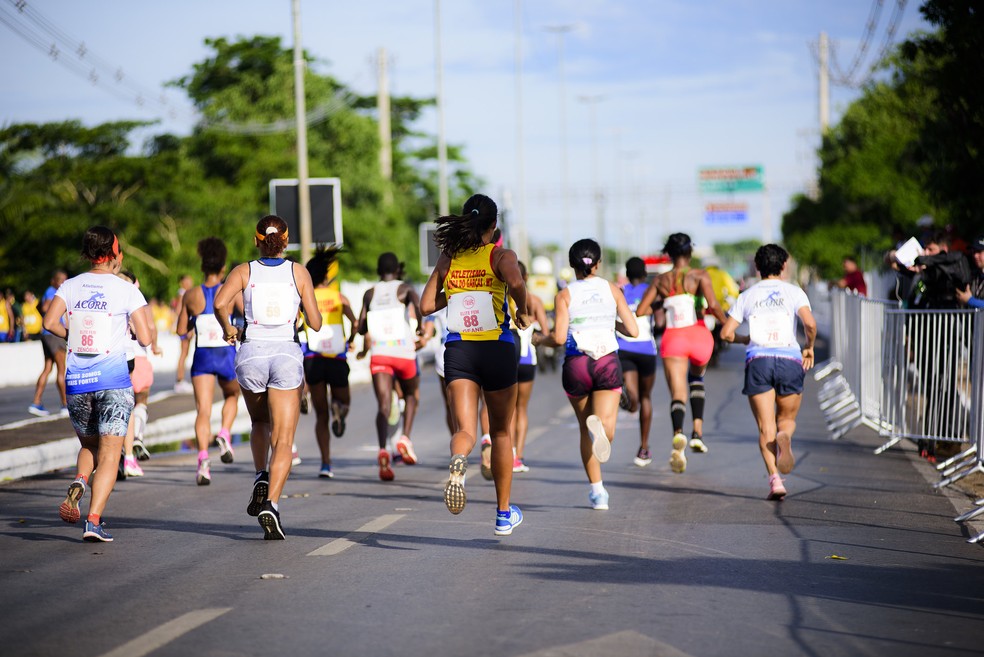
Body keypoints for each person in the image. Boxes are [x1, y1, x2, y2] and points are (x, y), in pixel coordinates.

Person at [420, 193, 532, 536]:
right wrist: (522, 310)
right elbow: (515, 282)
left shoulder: (448, 258)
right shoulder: (501, 255)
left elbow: (426, 305)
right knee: (500, 432)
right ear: (494, 226)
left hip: (459, 351)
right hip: (496, 349)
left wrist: (453, 293)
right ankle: (502, 514)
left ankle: (458, 465)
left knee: (465, 430)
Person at [213, 215, 321, 540]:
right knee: (284, 439)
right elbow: (315, 323)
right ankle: (271, 503)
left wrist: (229, 330)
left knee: (260, 423)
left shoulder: (243, 270)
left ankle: (261, 474)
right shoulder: (298, 272)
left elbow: (219, 303)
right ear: (286, 241)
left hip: (251, 355)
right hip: (286, 353)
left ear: (255, 239)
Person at [46, 226, 153, 541]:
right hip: (114, 381)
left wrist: (74, 336)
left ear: (88, 254)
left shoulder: (70, 285)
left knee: (89, 446)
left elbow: (49, 322)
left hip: (78, 381)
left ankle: (80, 478)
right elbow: (145, 337)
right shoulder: (126, 289)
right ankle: (93, 521)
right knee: (110, 453)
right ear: (115, 253)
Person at [537, 239, 638, 510]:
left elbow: (558, 338)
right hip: (606, 361)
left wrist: (538, 339)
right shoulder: (612, 289)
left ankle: (598, 492)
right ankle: (603, 430)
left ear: (572, 266)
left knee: (584, 428)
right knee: (605, 427)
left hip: (577, 364)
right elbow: (633, 330)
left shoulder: (565, 295)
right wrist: (608, 321)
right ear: (598, 263)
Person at [720, 243, 816, 501]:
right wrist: (809, 347)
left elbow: (725, 333)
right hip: (789, 359)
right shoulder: (794, 292)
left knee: (765, 427)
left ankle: (775, 480)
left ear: (758, 267)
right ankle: (785, 436)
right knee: (786, 419)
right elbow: (809, 323)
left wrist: (744, 340)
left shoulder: (747, 295)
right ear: (784, 266)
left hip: (758, 360)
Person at [636, 233, 726, 473]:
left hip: (673, 339)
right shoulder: (699, 275)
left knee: (678, 392)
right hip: (698, 336)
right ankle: (697, 432)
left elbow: (641, 310)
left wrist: (663, 303)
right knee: (696, 379)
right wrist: (728, 326)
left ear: (670, 254)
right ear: (690, 252)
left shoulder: (661, 280)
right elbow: (714, 306)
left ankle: (679, 434)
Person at [176, 237, 242, 485]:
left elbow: (181, 329)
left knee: (203, 410)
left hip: (202, 355)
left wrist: (195, 322)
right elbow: (247, 317)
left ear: (202, 267)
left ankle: (203, 460)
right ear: (223, 267)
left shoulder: (191, 295)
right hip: (226, 353)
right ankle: (224, 432)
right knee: (232, 396)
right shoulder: (231, 292)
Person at [356, 252, 422, 481]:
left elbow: (361, 325)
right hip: (403, 352)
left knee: (383, 405)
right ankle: (405, 437)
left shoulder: (370, 293)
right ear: (397, 269)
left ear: (378, 270)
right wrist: (420, 328)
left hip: (380, 354)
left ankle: (383, 448)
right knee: (412, 394)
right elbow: (420, 306)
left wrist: (367, 328)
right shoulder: (405, 288)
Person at [303, 246, 357, 479]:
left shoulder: (304, 298)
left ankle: (326, 464)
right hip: (336, 358)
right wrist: (352, 340)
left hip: (313, 360)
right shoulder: (339, 298)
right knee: (344, 401)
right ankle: (340, 411)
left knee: (320, 416)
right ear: (326, 275)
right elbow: (355, 323)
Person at [616, 256, 659, 467]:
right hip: (646, 350)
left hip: (624, 347)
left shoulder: (620, 291)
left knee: (633, 399)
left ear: (627, 272)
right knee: (646, 398)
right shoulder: (650, 291)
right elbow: (660, 321)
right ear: (643, 274)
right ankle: (644, 448)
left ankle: (628, 400)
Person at [118, 269, 160, 477]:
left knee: (118, 408)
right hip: (137, 358)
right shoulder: (139, 301)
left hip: (108, 360)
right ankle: (137, 438)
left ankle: (114, 455)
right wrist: (156, 345)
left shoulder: (110, 297)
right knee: (139, 402)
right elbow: (149, 332)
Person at [510, 261, 549, 473]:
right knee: (521, 409)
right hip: (526, 359)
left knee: (507, 410)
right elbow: (545, 331)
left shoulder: (499, 298)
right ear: (525, 278)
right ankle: (518, 456)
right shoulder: (534, 300)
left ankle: (508, 453)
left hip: (506, 357)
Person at [30, 270, 68, 416]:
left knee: (47, 368)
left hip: (46, 335)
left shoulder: (48, 291)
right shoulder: (54, 292)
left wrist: (44, 318)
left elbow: (39, 307)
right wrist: (53, 317)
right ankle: (65, 405)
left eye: (65, 280)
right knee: (61, 369)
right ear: (54, 281)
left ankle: (36, 402)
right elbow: (45, 307)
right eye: (60, 280)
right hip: (54, 335)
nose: (63, 283)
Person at [172, 274, 195, 394]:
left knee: (185, 353)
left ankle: (181, 380)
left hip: (185, 326)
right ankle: (179, 380)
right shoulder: (183, 294)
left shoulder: (184, 293)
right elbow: (179, 311)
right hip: (184, 327)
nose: (190, 283)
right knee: (184, 352)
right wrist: (186, 327)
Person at [956, 236, 984, 309]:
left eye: (979, 252)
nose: (975, 256)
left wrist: (970, 301)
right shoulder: (973, 276)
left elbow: (969, 299)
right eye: (973, 252)